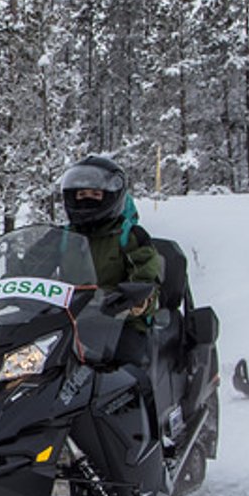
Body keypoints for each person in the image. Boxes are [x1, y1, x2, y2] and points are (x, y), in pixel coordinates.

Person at [58, 155, 165, 368]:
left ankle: (140, 401)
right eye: (81, 194)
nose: (87, 200)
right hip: (68, 320)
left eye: (95, 194)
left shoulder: (130, 236)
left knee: (128, 371)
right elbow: (30, 264)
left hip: (119, 322)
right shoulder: (61, 237)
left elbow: (147, 275)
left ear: (111, 197)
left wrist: (137, 300)